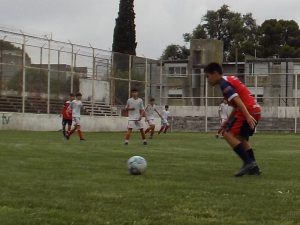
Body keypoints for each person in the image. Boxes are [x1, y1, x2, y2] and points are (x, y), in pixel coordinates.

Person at [204, 62, 261, 177]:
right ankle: (254, 168)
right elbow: (236, 105)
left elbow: (237, 99)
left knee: (227, 134)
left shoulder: (224, 83)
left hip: (247, 110)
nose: (207, 80)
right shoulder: (227, 80)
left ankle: (248, 163)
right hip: (255, 109)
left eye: (207, 76)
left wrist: (247, 115)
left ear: (215, 74)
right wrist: (226, 122)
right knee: (241, 139)